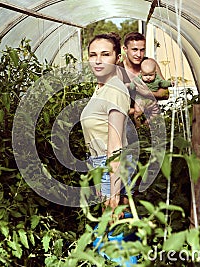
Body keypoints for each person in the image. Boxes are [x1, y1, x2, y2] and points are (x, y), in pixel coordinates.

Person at [80, 32, 133, 212]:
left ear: (117, 58)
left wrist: (114, 190)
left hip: (110, 162)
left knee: (112, 217)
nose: (98, 60)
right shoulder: (101, 88)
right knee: (120, 219)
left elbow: (115, 144)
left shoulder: (114, 90)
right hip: (100, 161)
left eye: (105, 54)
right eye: (93, 55)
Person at [119, 32, 169, 122]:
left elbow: (165, 93)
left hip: (151, 120)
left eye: (142, 50)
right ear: (125, 49)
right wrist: (138, 111)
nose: (139, 54)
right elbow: (112, 104)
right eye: (135, 50)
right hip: (126, 121)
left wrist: (147, 93)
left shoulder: (150, 64)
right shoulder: (118, 69)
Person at [129, 58, 172, 127]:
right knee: (137, 112)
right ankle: (138, 126)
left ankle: (146, 125)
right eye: (145, 75)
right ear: (141, 73)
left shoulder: (157, 79)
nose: (148, 77)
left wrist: (170, 83)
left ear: (155, 73)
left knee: (155, 113)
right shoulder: (138, 78)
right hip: (140, 99)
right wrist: (129, 86)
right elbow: (132, 85)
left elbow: (163, 83)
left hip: (151, 101)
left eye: (150, 75)